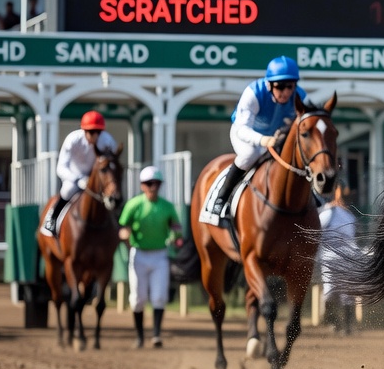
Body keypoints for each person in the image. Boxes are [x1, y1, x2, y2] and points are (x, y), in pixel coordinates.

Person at [206, 56, 309, 217]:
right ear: (269, 85)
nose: (286, 92)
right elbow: (242, 129)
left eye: (290, 87)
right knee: (249, 155)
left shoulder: (301, 98)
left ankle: (313, 198)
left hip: (275, 139)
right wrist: (262, 140)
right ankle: (221, 198)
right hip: (246, 135)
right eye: (280, 86)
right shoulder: (253, 93)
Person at [118, 165, 184, 348]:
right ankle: (139, 337)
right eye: (148, 183)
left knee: (159, 296)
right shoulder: (134, 205)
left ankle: (156, 335)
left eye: (155, 183)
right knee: (138, 298)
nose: (152, 187)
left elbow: (176, 227)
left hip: (160, 255)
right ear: (142, 185)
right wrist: (124, 234)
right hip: (138, 254)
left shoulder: (167, 206)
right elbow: (123, 226)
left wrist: (177, 239)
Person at [41, 111, 120, 237]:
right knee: (67, 190)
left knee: (113, 194)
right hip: (74, 177)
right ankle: (52, 219)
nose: (94, 136)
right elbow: (61, 168)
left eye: (97, 132)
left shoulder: (108, 141)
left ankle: (118, 223)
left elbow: (113, 164)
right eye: (91, 132)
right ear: (84, 130)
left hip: (97, 179)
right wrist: (78, 179)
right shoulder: (73, 140)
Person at [318, 184, 358, 335]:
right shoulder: (328, 212)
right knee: (329, 293)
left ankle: (347, 327)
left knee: (346, 295)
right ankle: (334, 321)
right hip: (329, 258)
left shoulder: (349, 216)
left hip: (347, 258)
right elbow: (316, 231)